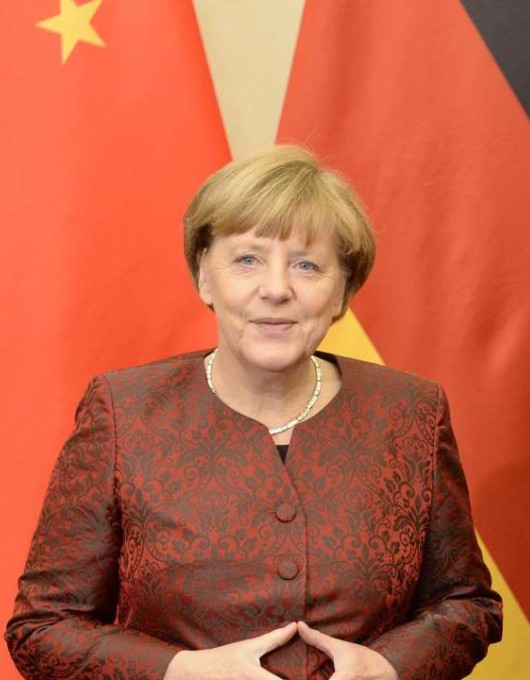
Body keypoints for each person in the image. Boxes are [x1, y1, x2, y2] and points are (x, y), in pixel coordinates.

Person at [6, 145, 502, 679]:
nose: (275, 289)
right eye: (247, 259)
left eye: (308, 265)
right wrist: (177, 672)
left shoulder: (411, 414)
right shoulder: (124, 412)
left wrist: (390, 667)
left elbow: (467, 603)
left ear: (342, 292)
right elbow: (41, 627)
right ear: (204, 277)